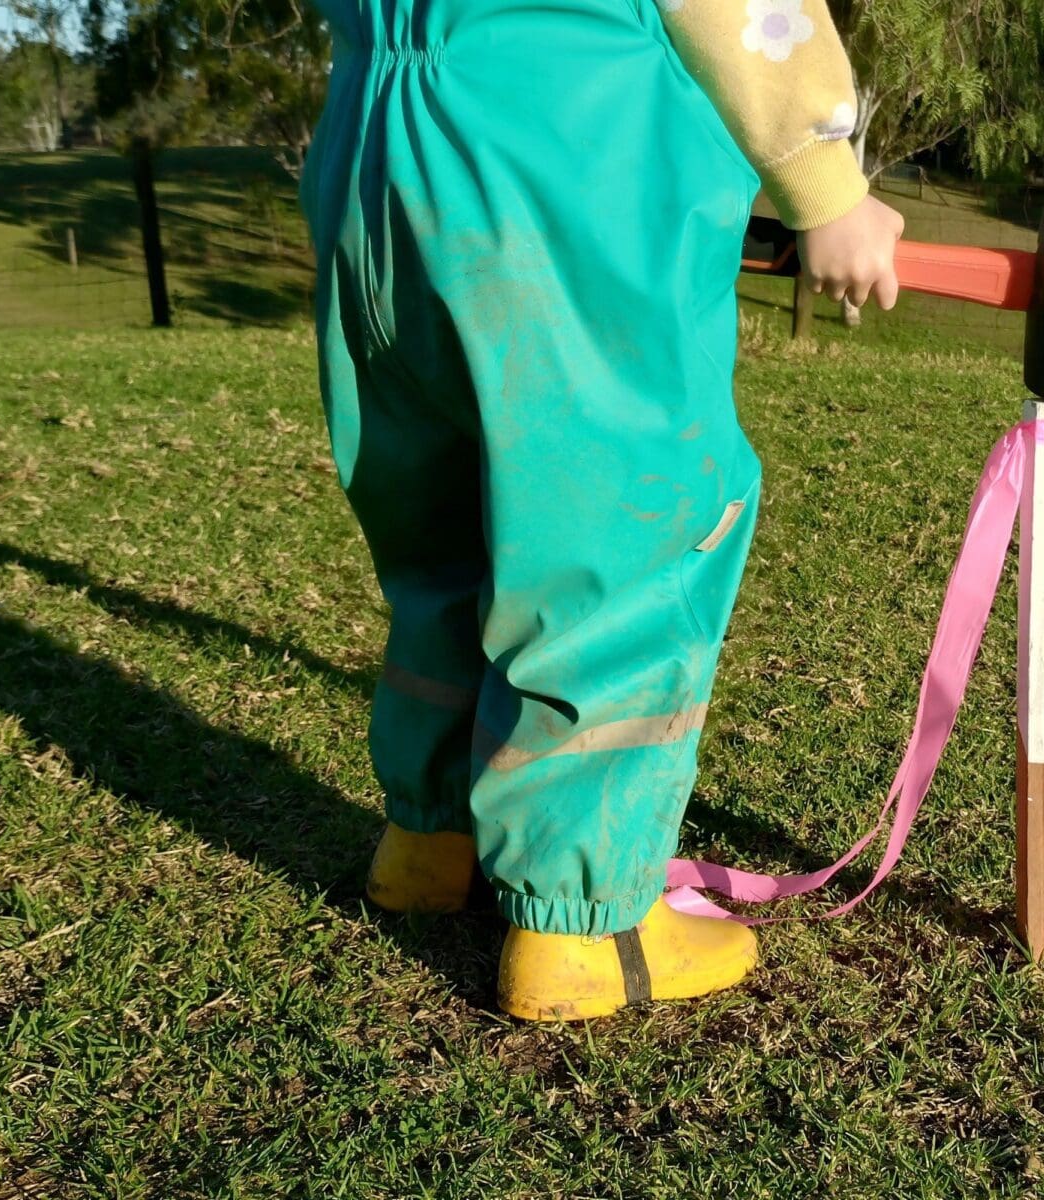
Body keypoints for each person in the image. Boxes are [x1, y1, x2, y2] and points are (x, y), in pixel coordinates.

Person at [298, 0, 905, 1020]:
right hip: (563, 146)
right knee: (615, 528)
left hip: (373, 133)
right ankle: (587, 925)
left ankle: (430, 839)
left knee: (439, 510)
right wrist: (824, 179)